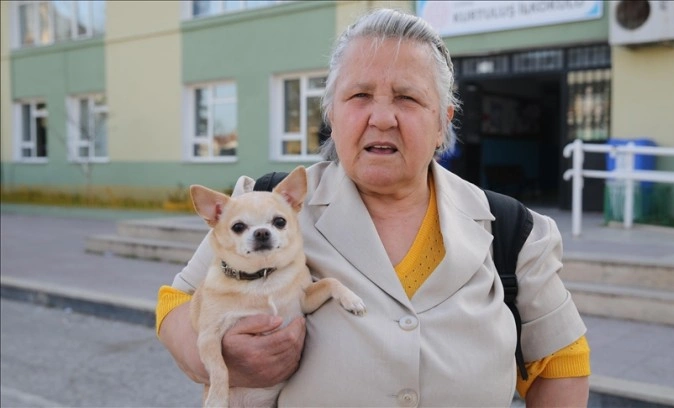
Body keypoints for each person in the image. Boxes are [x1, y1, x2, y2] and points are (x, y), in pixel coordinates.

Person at [157, 8, 590, 407]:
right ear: (332, 112)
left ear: (443, 122)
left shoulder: (514, 230)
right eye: (360, 95)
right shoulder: (271, 207)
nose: (382, 118)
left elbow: (562, 363)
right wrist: (215, 357)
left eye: (407, 98)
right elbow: (177, 303)